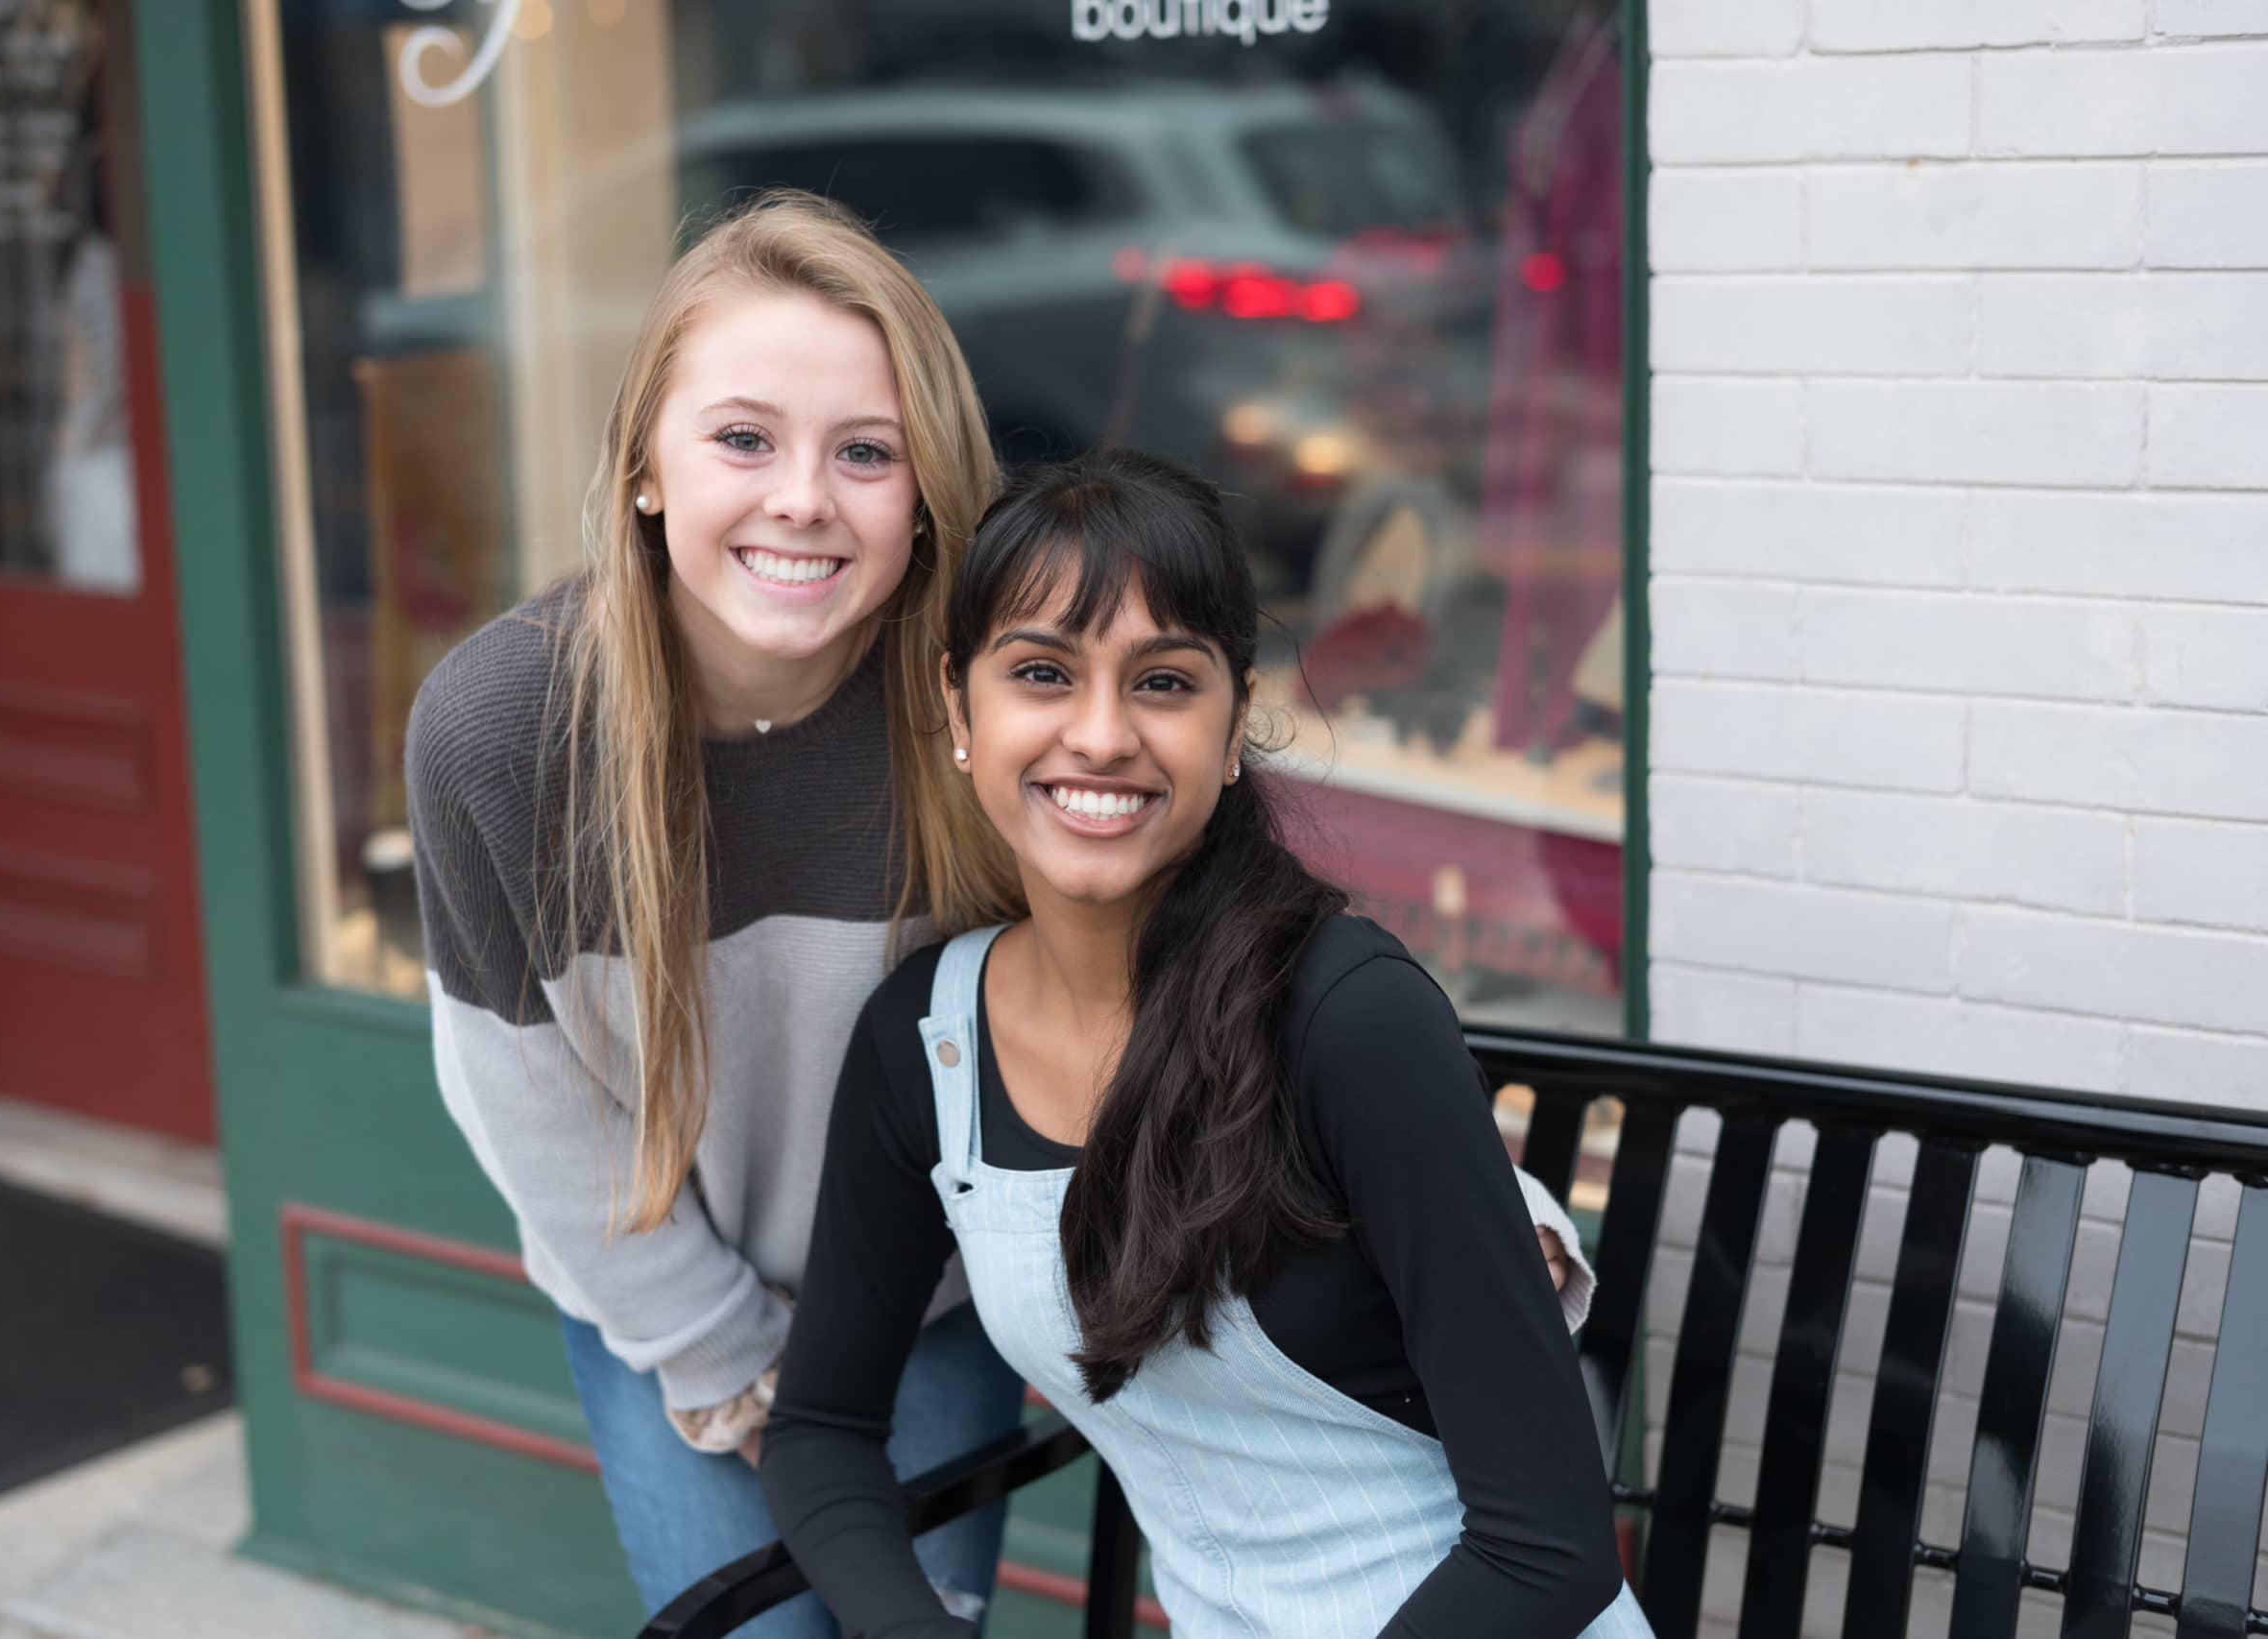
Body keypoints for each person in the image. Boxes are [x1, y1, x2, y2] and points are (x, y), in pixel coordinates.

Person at [410, 194, 1588, 1635]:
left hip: (940, 1286)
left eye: (864, 451)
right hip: (663, 1278)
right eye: (742, 438)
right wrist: (710, 1343)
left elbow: (1203, 936)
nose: (802, 499)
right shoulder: (503, 731)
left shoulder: (984, 681)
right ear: (644, 465)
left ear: (923, 491)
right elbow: (528, 1101)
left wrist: (1460, 1204)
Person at [761, 448, 1650, 1638]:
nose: (1101, 734)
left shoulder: (1347, 1018)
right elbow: (821, 1434)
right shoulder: (926, 1042)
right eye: (1040, 672)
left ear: (1234, 725)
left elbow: (1548, 1551)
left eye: (1163, 684)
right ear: (960, 710)